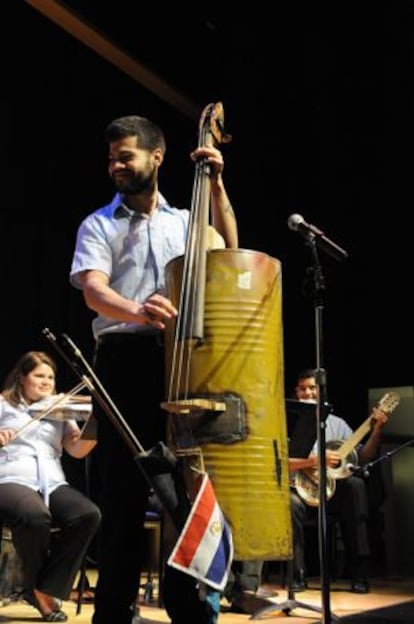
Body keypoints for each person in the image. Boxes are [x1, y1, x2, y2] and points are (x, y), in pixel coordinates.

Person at [69, 113, 238, 624]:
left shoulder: (184, 220)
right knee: (123, 494)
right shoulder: (99, 222)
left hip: (180, 360)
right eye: (111, 158)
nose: (115, 165)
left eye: (126, 156)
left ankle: (187, 610)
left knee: (185, 492)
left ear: (157, 157)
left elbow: (228, 252)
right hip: (123, 361)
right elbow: (94, 290)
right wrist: (139, 308)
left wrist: (218, 184)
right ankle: (113, 614)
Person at [0, 350, 101, 622]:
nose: (46, 382)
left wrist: (95, 425)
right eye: (39, 375)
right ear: (22, 377)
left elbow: (77, 450)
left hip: (52, 480)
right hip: (9, 477)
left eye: (51, 377)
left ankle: (44, 587)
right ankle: (38, 591)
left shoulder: (59, 408)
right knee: (35, 516)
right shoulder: (3, 405)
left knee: (87, 514)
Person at [288, 368, 388, 594]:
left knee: (355, 486)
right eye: (303, 389)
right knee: (289, 503)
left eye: (312, 388)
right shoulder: (286, 423)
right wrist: (314, 461)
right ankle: (297, 575)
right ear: (296, 393)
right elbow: (277, 462)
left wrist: (376, 431)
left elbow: (361, 458)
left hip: (330, 493)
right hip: (300, 492)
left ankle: (359, 573)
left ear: (321, 392)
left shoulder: (337, 423)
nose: (308, 393)